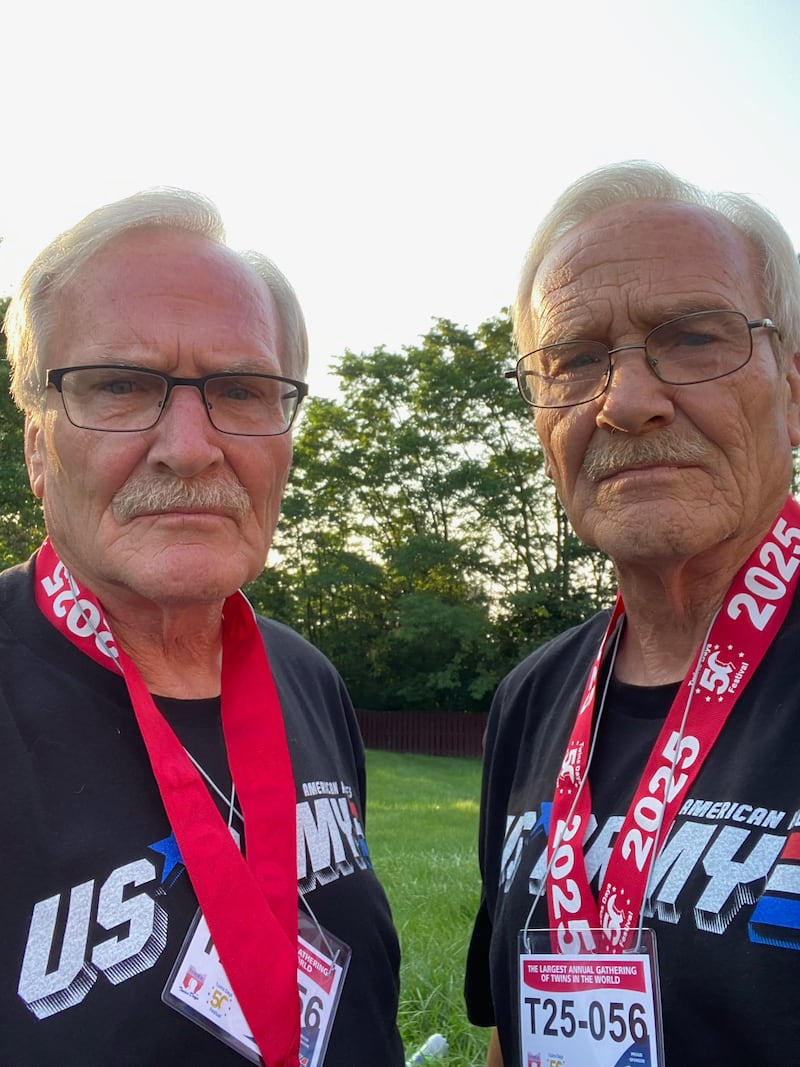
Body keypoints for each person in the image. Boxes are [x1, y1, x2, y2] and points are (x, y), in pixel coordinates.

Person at [1, 188, 404, 1066]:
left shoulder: (308, 679)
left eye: (242, 390)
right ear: (37, 446)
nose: (189, 445)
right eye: (118, 385)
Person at [464, 161, 800, 1067]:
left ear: (794, 387)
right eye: (574, 360)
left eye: (692, 337)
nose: (627, 400)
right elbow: (512, 1033)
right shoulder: (531, 699)